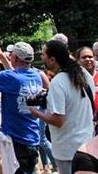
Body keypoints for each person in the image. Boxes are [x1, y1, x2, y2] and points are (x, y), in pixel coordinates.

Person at [29, 40, 96, 174]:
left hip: (67, 151)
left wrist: (37, 114)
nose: (41, 58)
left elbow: (58, 120)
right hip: (87, 147)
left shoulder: (58, 82)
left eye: (43, 55)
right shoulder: (84, 75)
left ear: (53, 59)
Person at [0, 42, 44, 174]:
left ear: (16, 58)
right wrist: (3, 58)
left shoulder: (10, 77)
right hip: (32, 135)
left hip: (16, 138)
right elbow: (16, 75)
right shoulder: (35, 75)